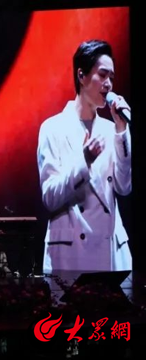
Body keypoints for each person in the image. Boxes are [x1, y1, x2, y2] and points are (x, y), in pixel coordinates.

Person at [37, 39, 132, 274]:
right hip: (71, 255)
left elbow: (124, 187)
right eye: (103, 75)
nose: (109, 84)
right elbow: (50, 197)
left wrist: (122, 131)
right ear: (81, 75)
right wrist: (84, 160)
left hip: (110, 254)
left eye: (112, 78)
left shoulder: (111, 130)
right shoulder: (52, 128)